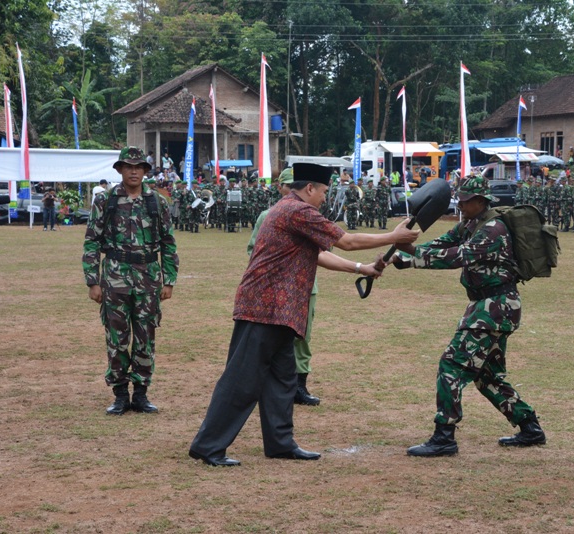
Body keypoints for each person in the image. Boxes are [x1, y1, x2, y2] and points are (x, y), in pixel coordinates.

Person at [188, 163, 420, 466]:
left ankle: (280, 443)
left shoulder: (290, 210)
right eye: (323, 191)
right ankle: (208, 446)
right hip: (266, 308)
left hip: (282, 311)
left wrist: (361, 269)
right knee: (242, 380)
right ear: (309, 188)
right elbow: (347, 241)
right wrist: (393, 236)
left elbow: (319, 254)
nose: (325, 198)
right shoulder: (298, 210)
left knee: (282, 379)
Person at [391, 175, 545, 457]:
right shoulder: (469, 224)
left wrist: (412, 258)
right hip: (487, 307)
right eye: (458, 200)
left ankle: (444, 436)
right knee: (487, 376)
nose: (459, 206)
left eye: (464, 201)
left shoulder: (494, 229)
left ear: (481, 201)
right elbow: (442, 244)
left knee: (451, 365)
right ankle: (529, 427)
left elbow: (459, 256)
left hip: (495, 308)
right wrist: (404, 250)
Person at [82, 146, 179, 416]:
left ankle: (141, 394)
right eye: (128, 166)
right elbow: (92, 241)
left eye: (138, 167)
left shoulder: (157, 201)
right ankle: (120, 394)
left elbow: (168, 243)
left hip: (148, 278)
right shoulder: (106, 200)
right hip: (114, 277)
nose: (133, 171)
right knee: (117, 338)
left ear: (145, 171)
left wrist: (169, 280)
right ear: (120, 169)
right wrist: (93, 281)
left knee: (146, 337)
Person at [247, 167, 322, 406]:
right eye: (288, 186)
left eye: (294, 185)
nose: (291, 191)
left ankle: (299, 386)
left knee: (302, 338)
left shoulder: (310, 215)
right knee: (270, 339)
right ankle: (270, 385)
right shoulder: (268, 215)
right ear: (280, 187)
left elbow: (323, 250)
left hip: (305, 286)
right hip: (275, 288)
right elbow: (254, 251)